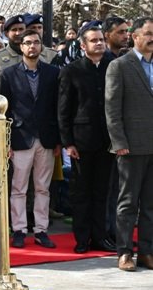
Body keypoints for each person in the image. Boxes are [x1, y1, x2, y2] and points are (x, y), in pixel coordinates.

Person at [58, 21, 116, 254]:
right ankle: (82, 238)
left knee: (102, 191)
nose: (99, 43)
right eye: (94, 40)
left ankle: (100, 237)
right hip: (81, 141)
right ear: (83, 46)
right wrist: (67, 142)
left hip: (108, 139)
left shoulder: (113, 66)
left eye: (101, 39)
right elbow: (63, 108)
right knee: (81, 192)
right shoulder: (71, 71)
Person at [0, 30, 59, 249]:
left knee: (43, 188)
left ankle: (41, 230)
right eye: (27, 43)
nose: (32, 46)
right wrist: (5, 141)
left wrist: (58, 140)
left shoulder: (53, 73)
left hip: (46, 137)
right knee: (18, 187)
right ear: (21, 47)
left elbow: (57, 108)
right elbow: (4, 111)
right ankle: (19, 229)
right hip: (20, 136)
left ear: (41, 46)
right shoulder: (8, 74)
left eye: (36, 42)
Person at [104, 16, 153, 271]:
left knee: (150, 203)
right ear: (135, 36)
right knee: (127, 202)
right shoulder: (120, 66)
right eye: (148, 33)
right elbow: (112, 107)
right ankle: (124, 253)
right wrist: (118, 141)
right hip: (131, 146)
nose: (152, 38)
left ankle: (147, 251)